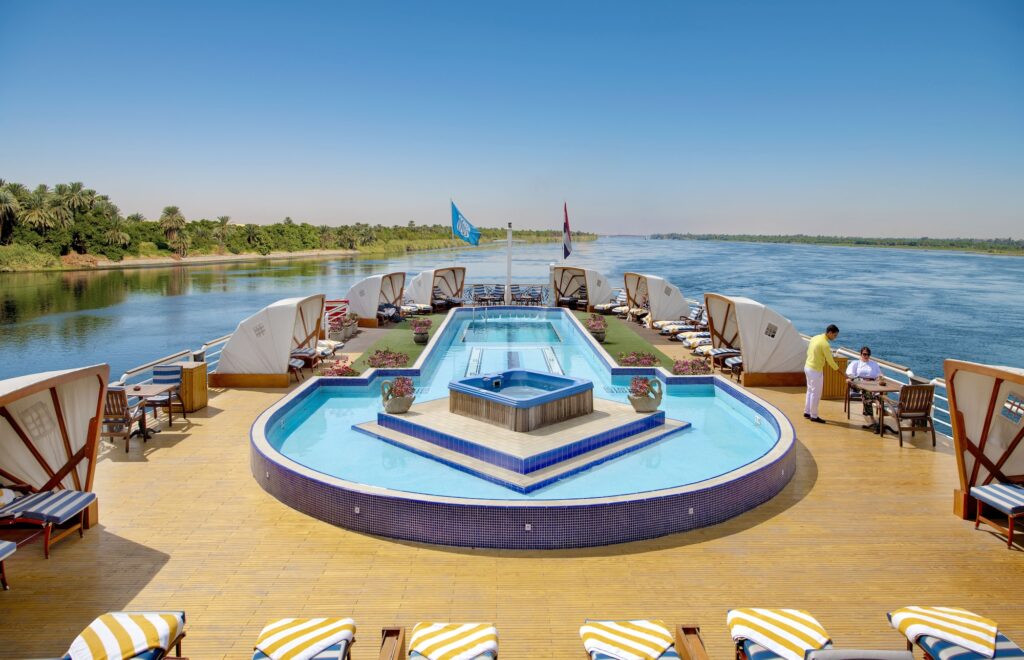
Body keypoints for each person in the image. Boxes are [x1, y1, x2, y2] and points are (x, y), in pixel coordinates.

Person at [804, 324, 839, 423]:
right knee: (816, 393)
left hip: (807, 367)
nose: (835, 338)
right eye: (835, 335)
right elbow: (830, 361)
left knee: (810, 390)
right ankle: (814, 416)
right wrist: (840, 371)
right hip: (815, 370)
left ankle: (807, 412)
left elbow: (809, 351)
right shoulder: (825, 344)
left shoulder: (815, 338)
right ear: (830, 333)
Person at [846, 346, 882, 430]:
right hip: (858, 383)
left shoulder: (874, 364)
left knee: (868, 394)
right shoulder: (856, 363)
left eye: (868, 354)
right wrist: (853, 379)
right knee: (867, 392)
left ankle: (872, 420)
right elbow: (850, 375)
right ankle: (873, 419)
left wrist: (880, 377)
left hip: (871, 384)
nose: (866, 356)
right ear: (861, 354)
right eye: (864, 354)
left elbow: (879, 374)